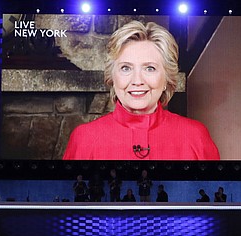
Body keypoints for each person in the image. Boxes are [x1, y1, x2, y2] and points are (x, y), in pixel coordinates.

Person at [63, 21, 219, 161]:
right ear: (112, 77)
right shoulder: (84, 138)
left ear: (167, 78)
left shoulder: (195, 136)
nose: (137, 81)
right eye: (126, 68)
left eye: (150, 68)